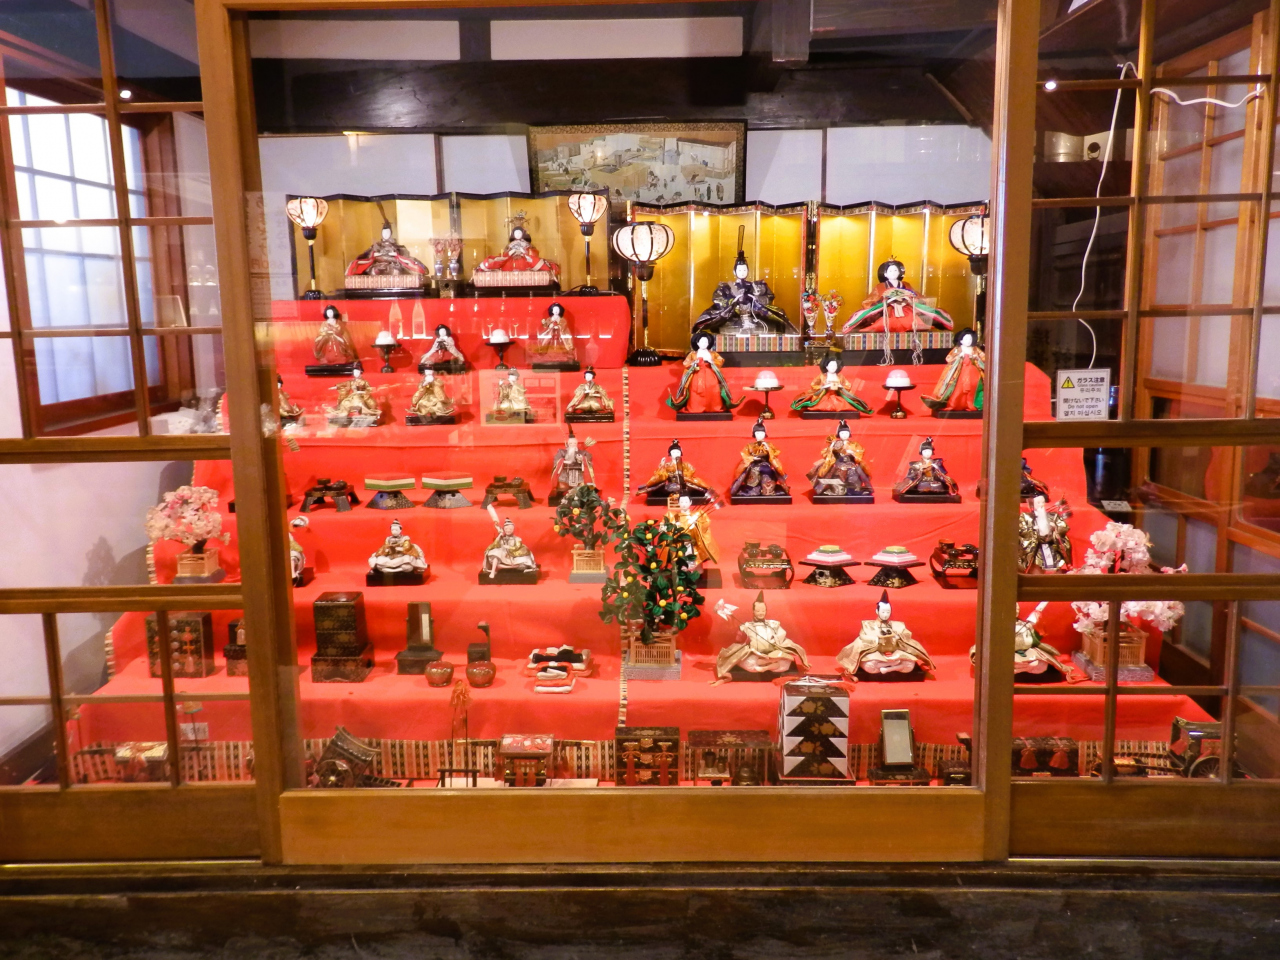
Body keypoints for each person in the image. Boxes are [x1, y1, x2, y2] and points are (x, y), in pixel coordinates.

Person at [840, 259, 954, 335]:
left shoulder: (906, 285)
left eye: (896, 270)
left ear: (900, 272)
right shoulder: (880, 287)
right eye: (890, 270)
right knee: (884, 323)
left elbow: (918, 297)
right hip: (888, 311)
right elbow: (868, 302)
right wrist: (886, 301)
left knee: (914, 321)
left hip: (906, 310)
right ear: (885, 274)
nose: (893, 272)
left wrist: (909, 299)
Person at [836, 591, 935, 677]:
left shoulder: (897, 625)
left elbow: (907, 635)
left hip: (895, 654)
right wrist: (876, 639)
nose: (885, 614)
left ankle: (889, 668)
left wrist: (898, 637)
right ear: (877, 611)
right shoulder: (868, 625)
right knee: (869, 666)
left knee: (910, 665)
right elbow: (863, 637)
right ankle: (892, 666)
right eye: (883, 612)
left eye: (888, 612)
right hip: (876, 654)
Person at [715, 592, 810, 680]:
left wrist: (775, 640)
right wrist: (741, 631)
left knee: (786, 661)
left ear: (766, 611)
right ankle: (768, 664)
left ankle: (766, 667)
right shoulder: (747, 626)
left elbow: (781, 635)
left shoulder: (773, 624)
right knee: (743, 661)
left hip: (772, 653)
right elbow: (739, 639)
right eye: (758, 611)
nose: (761, 613)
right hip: (755, 654)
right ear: (753, 611)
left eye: (763, 610)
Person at [668, 332, 741, 415]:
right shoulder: (693, 354)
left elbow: (720, 360)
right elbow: (686, 363)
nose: (704, 344)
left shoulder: (712, 354)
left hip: (710, 372)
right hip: (697, 373)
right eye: (702, 342)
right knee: (694, 390)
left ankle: (714, 407)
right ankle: (695, 407)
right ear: (697, 343)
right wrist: (694, 363)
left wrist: (712, 361)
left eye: (706, 342)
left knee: (713, 389)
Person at [922, 329, 985, 414]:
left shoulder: (975, 349)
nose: (968, 341)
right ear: (961, 340)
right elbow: (949, 358)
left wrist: (976, 357)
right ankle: (956, 404)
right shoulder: (957, 349)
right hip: (959, 371)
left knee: (974, 387)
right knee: (958, 388)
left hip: (973, 372)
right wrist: (959, 356)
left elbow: (984, 358)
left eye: (970, 339)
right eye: (966, 339)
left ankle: (973, 404)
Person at [790, 352, 872, 415]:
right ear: (826, 366)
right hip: (824, 395)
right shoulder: (822, 376)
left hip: (837, 395)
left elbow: (848, 385)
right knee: (821, 405)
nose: (833, 367)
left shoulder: (840, 376)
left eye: (835, 366)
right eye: (831, 365)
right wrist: (824, 387)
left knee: (843, 405)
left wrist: (841, 386)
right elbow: (813, 385)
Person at [636, 440, 715, 501]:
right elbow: (661, 475)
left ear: (681, 453)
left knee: (694, 485)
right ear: (670, 454)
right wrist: (662, 466)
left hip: (684, 484)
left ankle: (707, 492)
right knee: (660, 486)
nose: (675, 454)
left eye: (677, 452)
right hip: (671, 485)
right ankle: (646, 489)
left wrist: (682, 475)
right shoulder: (667, 465)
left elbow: (691, 471)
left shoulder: (685, 464)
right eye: (673, 452)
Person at [808, 420, 871, 496]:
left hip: (852, 468)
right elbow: (826, 454)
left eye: (846, 433)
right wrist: (831, 447)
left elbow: (860, 453)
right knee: (838, 491)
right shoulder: (836, 443)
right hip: (838, 468)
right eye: (842, 433)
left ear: (849, 433)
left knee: (854, 485)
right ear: (838, 434)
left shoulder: (855, 444)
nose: (844, 435)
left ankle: (858, 488)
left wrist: (853, 453)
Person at [345, 220, 429, 278]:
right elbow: (368, 255)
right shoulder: (376, 245)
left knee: (396, 272)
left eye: (387, 232)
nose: (385, 234)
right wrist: (375, 255)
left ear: (391, 233)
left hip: (393, 265)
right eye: (384, 232)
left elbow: (404, 257)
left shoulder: (398, 247)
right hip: (377, 264)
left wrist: (395, 255)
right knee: (374, 271)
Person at [729, 419, 789, 498]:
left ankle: (767, 490)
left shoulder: (769, 445)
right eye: (757, 433)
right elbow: (745, 456)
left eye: (762, 433)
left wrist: (768, 449)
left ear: (765, 434)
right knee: (754, 474)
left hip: (766, 464)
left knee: (767, 472)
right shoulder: (749, 446)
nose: (759, 435)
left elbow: (775, 454)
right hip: (754, 465)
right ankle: (753, 489)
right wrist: (753, 458)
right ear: (754, 434)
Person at [893, 437, 958, 498]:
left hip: (933, 481)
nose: (927, 453)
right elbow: (911, 476)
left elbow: (942, 474)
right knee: (922, 485)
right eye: (925, 451)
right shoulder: (916, 464)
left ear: (932, 452)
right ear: (921, 452)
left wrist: (936, 469)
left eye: (929, 451)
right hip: (922, 481)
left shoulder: (936, 463)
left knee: (939, 485)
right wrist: (920, 470)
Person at [550, 429, 595, 502]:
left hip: (579, 474)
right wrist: (563, 461)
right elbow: (557, 459)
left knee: (582, 486)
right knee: (562, 487)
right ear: (567, 443)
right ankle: (565, 496)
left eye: (574, 443)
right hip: (565, 473)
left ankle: (581, 494)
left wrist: (582, 459)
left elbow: (589, 458)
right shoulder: (562, 452)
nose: (572, 444)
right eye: (570, 443)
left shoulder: (583, 452)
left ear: (576, 443)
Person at [530, 301, 576, 366]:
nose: (556, 311)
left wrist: (558, 326)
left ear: (560, 311)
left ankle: (564, 356)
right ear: (552, 311)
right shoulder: (549, 319)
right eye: (555, 309)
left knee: (564, 344)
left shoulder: (562, 319)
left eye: (558, 309)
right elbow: (545, 326)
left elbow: (564, 325)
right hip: (550, 333)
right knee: (545, 340)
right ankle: (546, 355)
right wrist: (545, 323)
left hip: (560, 334)